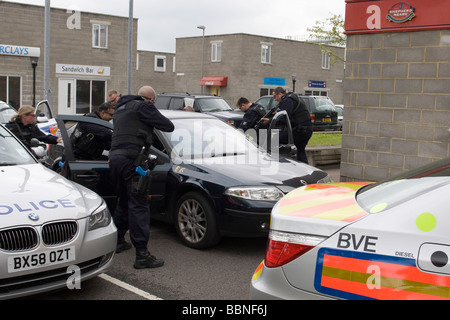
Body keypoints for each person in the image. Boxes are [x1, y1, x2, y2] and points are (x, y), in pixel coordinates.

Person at [109, 85, 174, 269]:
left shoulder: (120, 109)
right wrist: (151, 111)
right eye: (153, 101)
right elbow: (168, 126)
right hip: (132, 161)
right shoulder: (144, 106)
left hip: (114, 160)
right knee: (138, 205)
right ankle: (142, 255)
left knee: (123, 200)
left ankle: (119, 240)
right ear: (150, 99)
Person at [265, 87, 313, 163]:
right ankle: (304, 169)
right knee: (300, 151)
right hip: (305, 130)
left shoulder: (287, 100)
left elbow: (284, 118)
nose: (274, 99)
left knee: (274, 140)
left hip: (300, 130)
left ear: (280, 94)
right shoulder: (291, 98)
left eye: (275, 96)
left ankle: (278, 163)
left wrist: (269, 120)